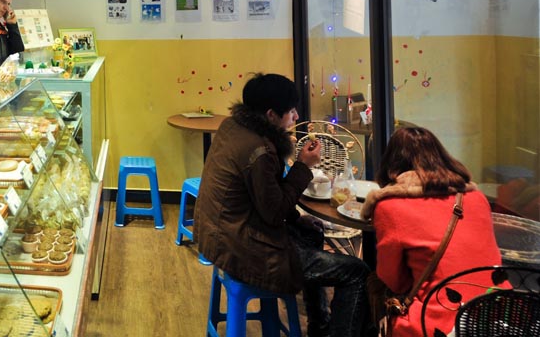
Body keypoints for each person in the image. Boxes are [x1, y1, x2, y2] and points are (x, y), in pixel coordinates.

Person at [194, 73, 371, 337]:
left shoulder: (233, 127)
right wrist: (302, 166)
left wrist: (296, 217)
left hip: (221, 237)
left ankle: (319, 327)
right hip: (246, 250)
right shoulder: (259, 152)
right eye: (290, 111)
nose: (297, 116)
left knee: (311, 231)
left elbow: (263, 196)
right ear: (270, 115)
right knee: (357, 272)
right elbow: (274, 212)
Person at [361, 126, 501, 337]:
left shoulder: (390, 207)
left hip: (440, 325)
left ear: (391, 166)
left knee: (374, 285)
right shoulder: (477, 198)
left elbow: (394, 281)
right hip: (499, 313)